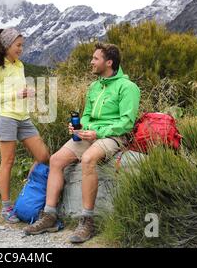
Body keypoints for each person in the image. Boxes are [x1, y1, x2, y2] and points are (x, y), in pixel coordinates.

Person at [23, 42, 141, 243]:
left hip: (113, 137)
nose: (91, 62)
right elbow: (86, 114)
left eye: (95, 58)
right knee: (56, 159)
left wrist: (97, 132)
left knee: (88, 159)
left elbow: (127, 122)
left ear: (109, 62)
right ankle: (49, 215)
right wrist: (79, 127)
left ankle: (87, 221)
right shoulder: (95, 86)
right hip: (88, 135)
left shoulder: (128, 87)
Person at [0, 27, 50, 224]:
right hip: (6, 118)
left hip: (24, 118)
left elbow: (18, 90)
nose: (21, 48)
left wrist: (27, 91)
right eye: (18, 45)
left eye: (22, 45)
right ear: (6, 45)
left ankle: (28, 189)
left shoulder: (19, 65)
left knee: (44, 156)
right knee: (8, 161)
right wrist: (16, 95)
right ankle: (6, 207)